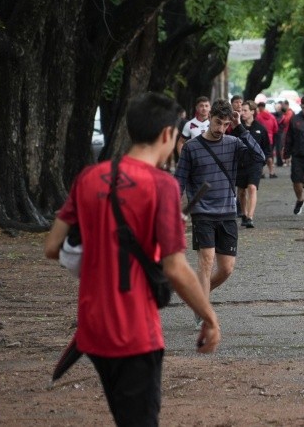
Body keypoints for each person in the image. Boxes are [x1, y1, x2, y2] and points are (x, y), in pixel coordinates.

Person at [43, 92, 220, 425]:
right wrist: (209, 318)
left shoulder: (88, 178)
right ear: (168, 134)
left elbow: (53, 246)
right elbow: (176, 268)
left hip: (92, 331)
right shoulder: (161, 185)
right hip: (134, 332)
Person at [174, 99, 265, 327]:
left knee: (226, 269)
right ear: (209, 118)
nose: (220, 129)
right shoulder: (192, 148)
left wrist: (240, 127)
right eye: (217, 123)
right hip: (202, 213)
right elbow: (179, 182)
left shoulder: (234, 142)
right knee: (206, 261)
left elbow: (259, 157)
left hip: (227, 212)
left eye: (225, 124)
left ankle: (197, 295)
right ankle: (203, 312)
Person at [233, 100, 271, 228]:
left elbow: (266, 147)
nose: (242, 113)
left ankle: (250, 216)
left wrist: (264, 160)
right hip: (241, 163)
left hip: (255, 163)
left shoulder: (260, 128)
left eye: (245, 110)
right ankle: (243, 214)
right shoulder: (237, 129)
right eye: (241, 110)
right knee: (241, 191)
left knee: (252, 188)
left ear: (252, 112)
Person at [256, 101, 279, 178]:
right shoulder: (272, 116)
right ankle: (271, 172)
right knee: (269, 156)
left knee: (261, 155)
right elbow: (276, 128)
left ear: (259, 107)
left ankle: (261, 173)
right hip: (270, 139)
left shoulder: (258, 117)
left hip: (260, 139)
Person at [276, 100, 294, 167]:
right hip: (285, 131)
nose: (282, 106)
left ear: (287, 105)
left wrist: (282, 117)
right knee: (283, 147)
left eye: (283, 105)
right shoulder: (286, 112)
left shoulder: (289, 112)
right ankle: (285, 160)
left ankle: (286, 160)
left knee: (285, 146)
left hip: (287, 131)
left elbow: (285, 121)